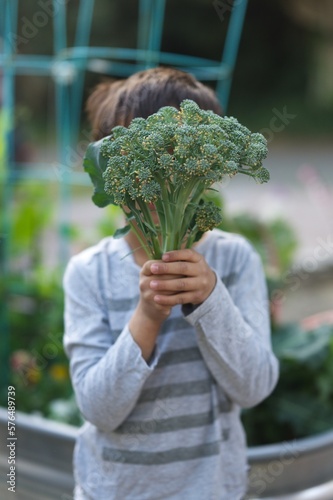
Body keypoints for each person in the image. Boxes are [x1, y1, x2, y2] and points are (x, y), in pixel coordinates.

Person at [63, 67, 279, 500]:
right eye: (136, 163)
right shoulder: (89, 273)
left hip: (211, 489)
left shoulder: (234, 261)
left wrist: (212, 299)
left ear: (209, 163)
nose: (161, 182)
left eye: (182, 160)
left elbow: (254, 387)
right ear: (109, 171)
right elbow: (98, 410)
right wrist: (147, 314)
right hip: (113, 490)